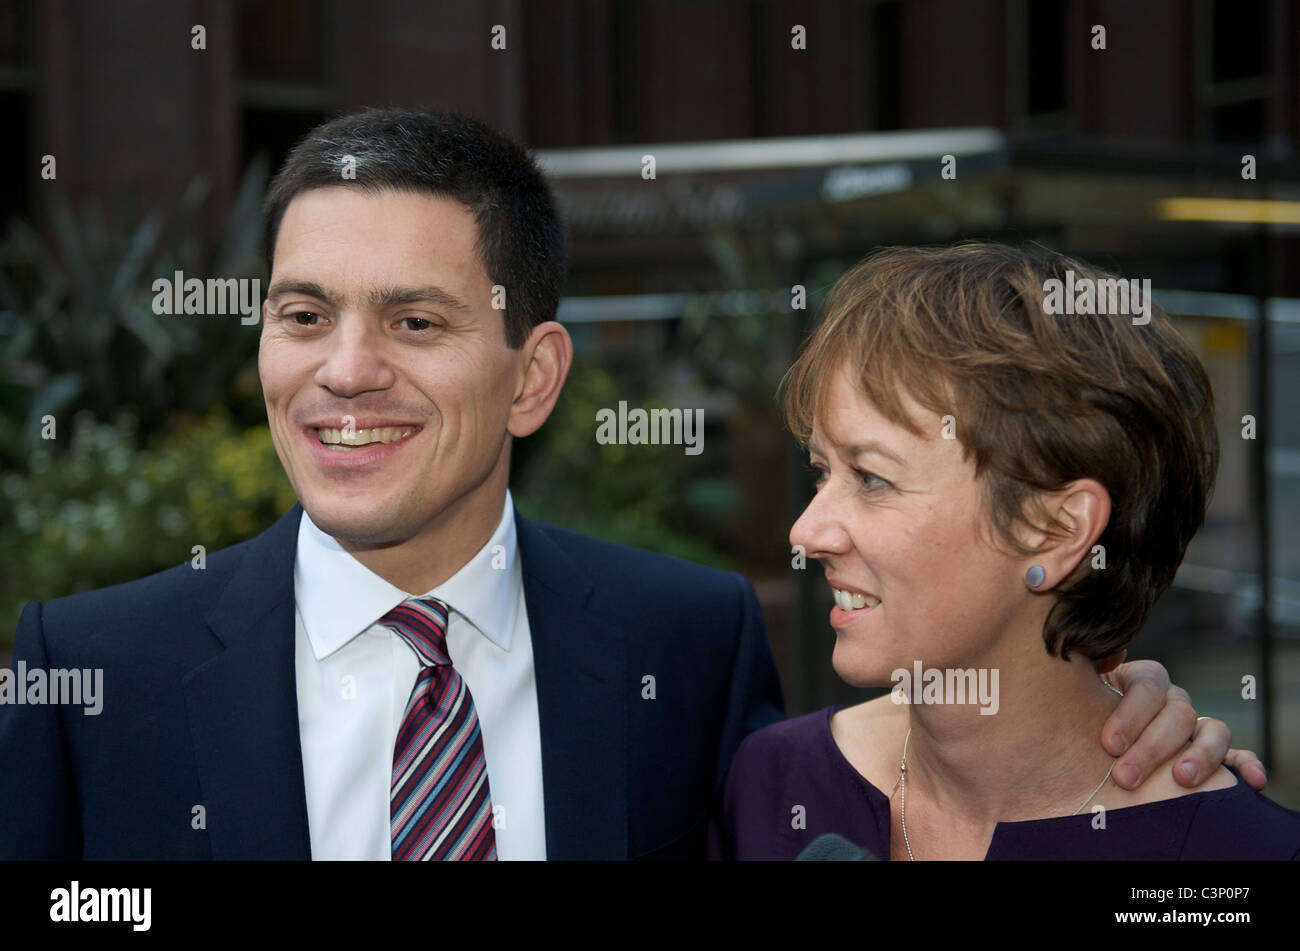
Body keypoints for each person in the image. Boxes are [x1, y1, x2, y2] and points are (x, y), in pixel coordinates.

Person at [0, 111, 1257, 860]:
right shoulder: (88, 678)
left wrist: (1099, 706)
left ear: (534, 375)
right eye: (302, 312)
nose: (344, 373)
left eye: (417, 322)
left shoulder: (687, 648)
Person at [709, 242, 1298, 860]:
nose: (806, 532)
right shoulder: (773, 786)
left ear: (1057, 529)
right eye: (821, 472)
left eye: (872, 478)